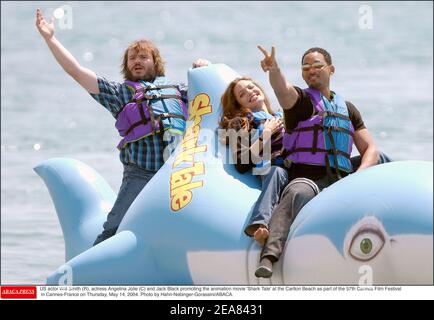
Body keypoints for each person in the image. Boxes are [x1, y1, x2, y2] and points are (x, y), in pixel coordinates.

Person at [35, 8, 210, 246]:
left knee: (191, 228)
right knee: (113, 229)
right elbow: (76, 71)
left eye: (143, 57)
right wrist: (50, 38)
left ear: (155, 63)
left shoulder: (178, 92)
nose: (137, 61)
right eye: (132, 58)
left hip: (176, 175)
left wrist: (204, 69)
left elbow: (213, 96)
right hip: (140, 173)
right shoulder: (119, 94)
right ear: (127, 65)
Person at [254, 45, 390, 278]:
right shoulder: (302, 101)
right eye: (305, 68)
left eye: (317, 66)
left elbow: (370, 148)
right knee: (296, 192)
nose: (311, 71)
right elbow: (283, 91)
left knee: (385, 160)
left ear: (331, 69)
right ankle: (269, 255)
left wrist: (362, 174)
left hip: (343, 177)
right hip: (310, 178)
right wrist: (273, 70)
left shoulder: (347, 109)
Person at [220, 77, 289, 246]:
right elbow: (242, 163)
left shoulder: (284, 115)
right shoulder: (241, 123)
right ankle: (259, 224)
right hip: (272, 171)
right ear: (240, 104)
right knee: (276, 172)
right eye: (242, 94)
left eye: (251, 87)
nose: (250, 92)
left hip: (297, 169)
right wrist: (266, 132)